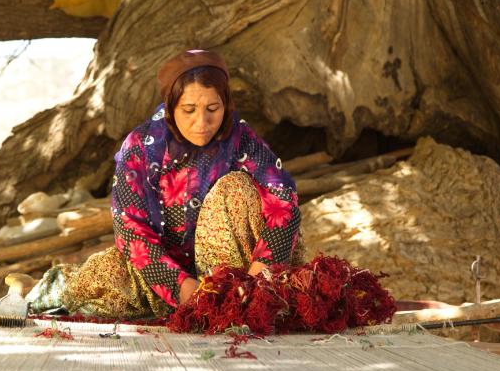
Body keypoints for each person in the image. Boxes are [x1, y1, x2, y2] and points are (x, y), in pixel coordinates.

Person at [26, 49, 304, 319]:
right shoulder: (140, 147)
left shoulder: (240, 137)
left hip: (242, 276)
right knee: (105, 275)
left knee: (235, 187)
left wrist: (259, 278)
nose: (202, 122)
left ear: (226, 103)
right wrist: (183, 287)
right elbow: (130, 229)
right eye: (189, 110)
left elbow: (284, 201)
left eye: (213, 108)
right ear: (171, 106)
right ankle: (39, 288)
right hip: (167, 273)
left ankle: (230, 305)